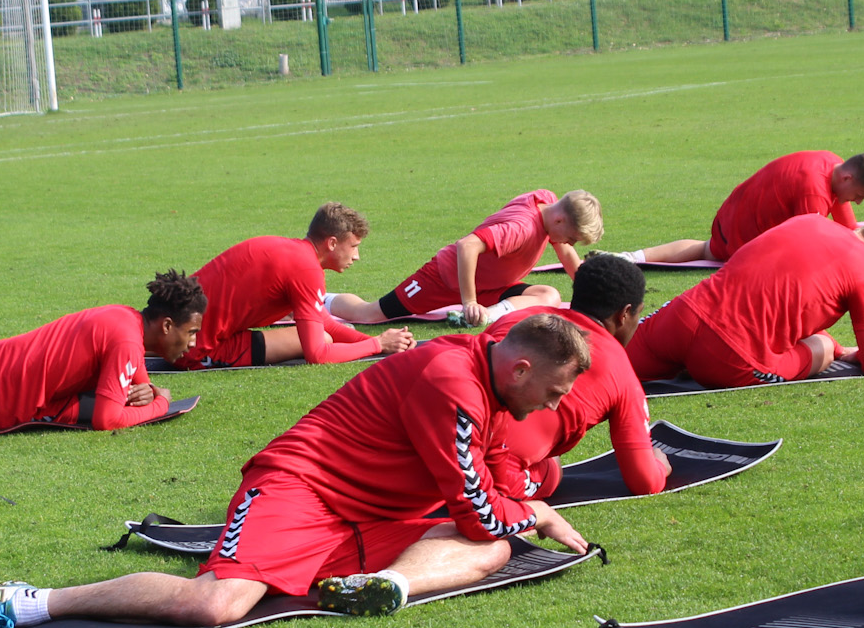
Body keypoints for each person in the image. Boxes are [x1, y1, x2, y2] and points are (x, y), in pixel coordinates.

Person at [0, 313, 596, 628]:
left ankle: (386, 586)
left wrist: (524, 499)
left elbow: (496, 484)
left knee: (495, 546)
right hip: (302, 487)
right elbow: (480, 503)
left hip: (370, 518)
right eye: (555, 392)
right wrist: (533, 510)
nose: (554, 406)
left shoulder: (494, 379)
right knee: (213, 605)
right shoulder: (453, 381)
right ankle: (33, 600)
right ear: (520, 369)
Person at [625, 215, 864, 388]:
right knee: (821, 347)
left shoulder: (808, 220)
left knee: (613, 360)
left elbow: (778, 294)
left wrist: (839, 347)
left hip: (685, 315)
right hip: (731, 355)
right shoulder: (861, 270)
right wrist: (847, 350)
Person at [485, 252, 669, 500]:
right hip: (488, 470)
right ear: (624, 314)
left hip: (444, 437)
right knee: (551, 468)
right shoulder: (620, 370)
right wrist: (660, 466)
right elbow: (645, 481)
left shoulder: (518, 318)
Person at [0, 271, 205, 432]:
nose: (193, 343)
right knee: (101, 404)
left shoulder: (124, 316)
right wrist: (161, 404)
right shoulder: (128, 342)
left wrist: (148, 389)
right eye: (191, 332)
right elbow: (107, 419)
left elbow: (137, 377)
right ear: (167, 326)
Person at [181, 203, 415, 369]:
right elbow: (318, 354)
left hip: (176, 332)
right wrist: (377, 344)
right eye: (353, 246)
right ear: (332, 243)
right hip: (194, 351)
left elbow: (324, 321)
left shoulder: (292, 252)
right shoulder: (307, 270)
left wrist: (381, 341)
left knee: (324, 333)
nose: (357, 256)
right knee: (323, 340)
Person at [327, 189, 603, 329]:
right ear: (560, 219)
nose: (571, 244)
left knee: (548, 295)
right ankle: (322, 299)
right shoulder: (522, 228)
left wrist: (589, 293)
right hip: (443, 278)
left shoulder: (547, 202)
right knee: (369, 314)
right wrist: (469, 301)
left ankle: (484, 317)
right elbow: (467, 246)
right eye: (573, 237)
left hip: (491, 287)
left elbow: (565, 251)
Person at [620, 150, 864, 265]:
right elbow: (810, 252)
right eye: (859, 195)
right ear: (847, 178)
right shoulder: (814, 193)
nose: (858, 202)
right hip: (743, 242)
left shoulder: (831, 162)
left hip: (730, 216)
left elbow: (849, 230)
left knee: (707, 249)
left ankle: (634, 257)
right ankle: (634, 257)